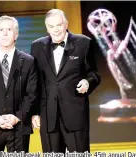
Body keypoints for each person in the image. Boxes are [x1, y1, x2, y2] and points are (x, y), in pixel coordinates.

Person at [31, 9, 101, 153]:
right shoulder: (37, 46)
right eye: (51, 26)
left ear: (66, 24)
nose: (56, 30)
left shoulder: (83, 43)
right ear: (47, 28)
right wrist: (34, 112)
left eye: (59, 25)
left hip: (75, 113)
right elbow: (34, 82)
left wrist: (87, 82)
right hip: (48, 115)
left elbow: (94, 74)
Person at [0, 15, 37, 153]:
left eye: (9, 29)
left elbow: (32, 94)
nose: (4, 33)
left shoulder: (28, 62)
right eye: (1, 30)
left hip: (19, 128)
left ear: (16, 34)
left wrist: (17, 116)